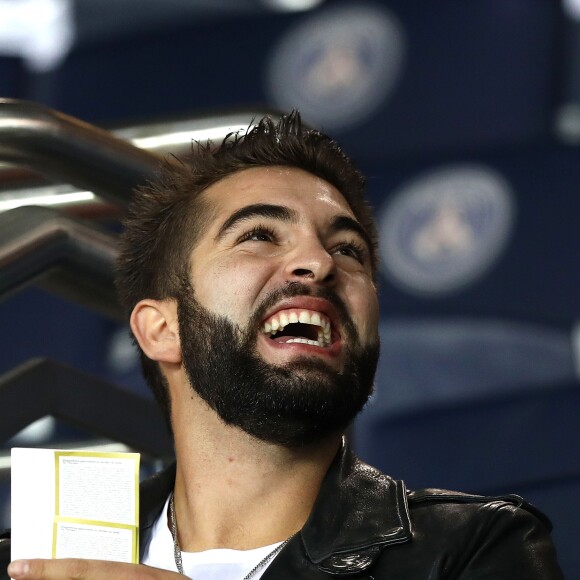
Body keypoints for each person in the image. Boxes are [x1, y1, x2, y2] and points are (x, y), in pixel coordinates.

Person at [5, 112, 563, 579]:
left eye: (349, 250)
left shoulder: (471, 547)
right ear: (160, 330)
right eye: (259, 235)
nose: (320, 263)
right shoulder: (54, 543)